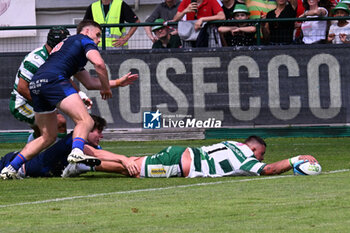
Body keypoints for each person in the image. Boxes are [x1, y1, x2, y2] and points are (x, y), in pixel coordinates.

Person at [0, 20, 122, 180]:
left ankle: (10, 168)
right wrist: (106, 88)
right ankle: (76, 152)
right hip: (51, 83)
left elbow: (90, 83)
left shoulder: (67, 51)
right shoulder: (84, 40)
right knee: (86, 121)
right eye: (98, 35)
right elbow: (99, 64)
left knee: (47, 136)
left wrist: (119, 82)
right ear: (86, 31)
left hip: (37, 84)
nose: (98, 40)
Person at [63, 135, 319, 178]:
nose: (261, 159)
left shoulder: (232, 143)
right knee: (127, 168)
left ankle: (87, 152)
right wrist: (296, 159)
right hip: (177, 164)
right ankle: (83, 165)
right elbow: (270, 170)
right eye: (261, 154)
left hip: (178, 153)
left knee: (130, 162)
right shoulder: (246, 158)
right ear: (252, 149)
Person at [8, 26, 92, 142]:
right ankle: (56, 156)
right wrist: (49, 104)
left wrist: (80, 94)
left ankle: (38, 157)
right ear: (57, 44)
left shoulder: (58, 56)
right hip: (22, 105)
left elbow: (64, 78)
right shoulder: (35, 59)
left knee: (44, 133)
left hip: (38, 99)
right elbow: (22, 88)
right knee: (57, 124)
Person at [0, 115, 138, 178]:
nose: (101, 136)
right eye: (99, 132)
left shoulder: (87, 146)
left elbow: (103, 158)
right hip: (9, 162)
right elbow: (97, 155)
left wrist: (131, 162)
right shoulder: (73, 140)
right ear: (88, 130)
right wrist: (123, 159)